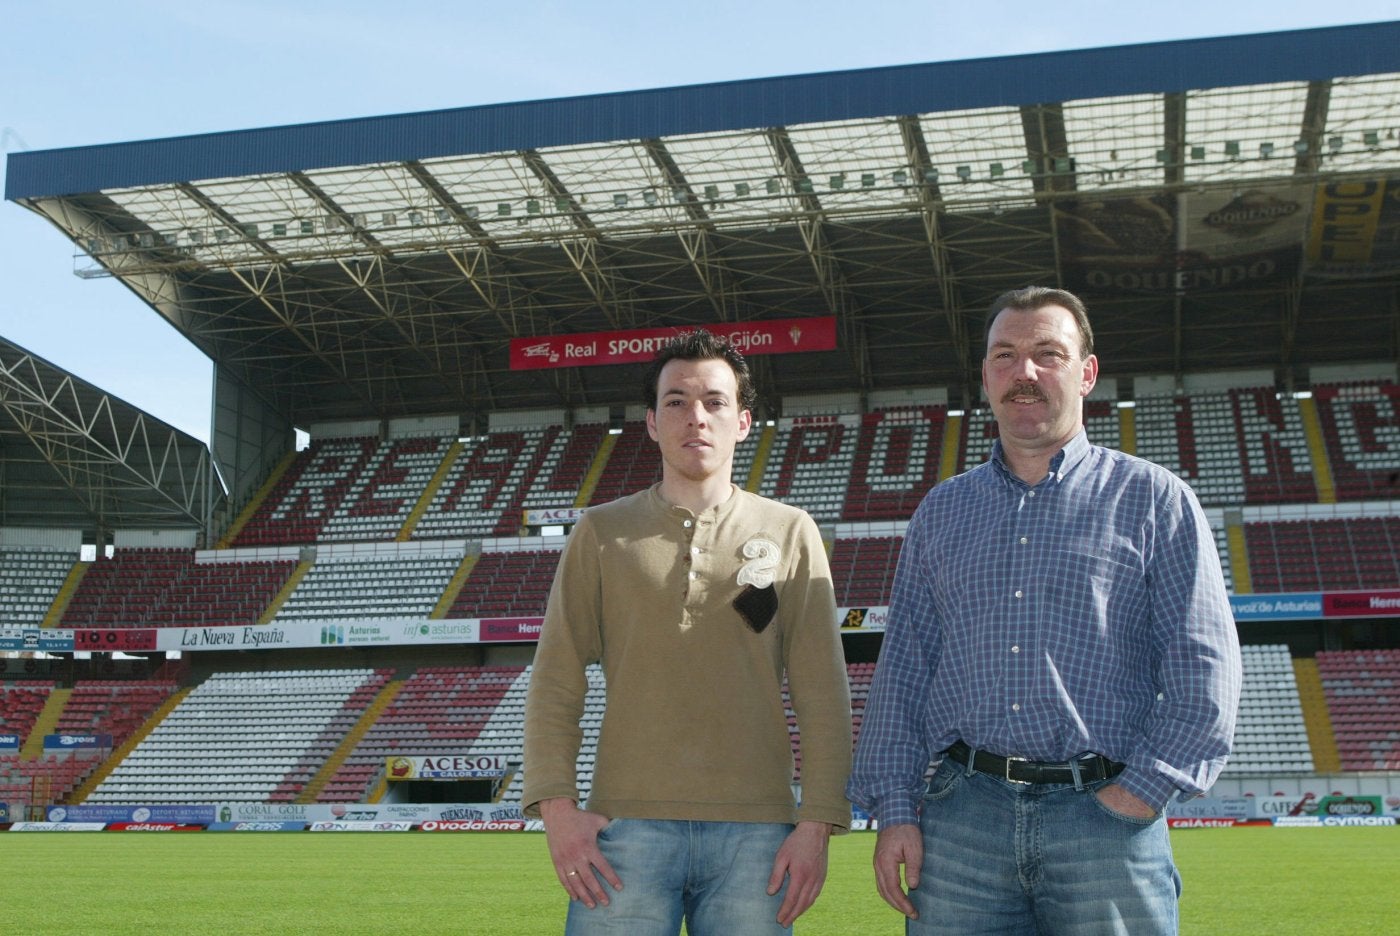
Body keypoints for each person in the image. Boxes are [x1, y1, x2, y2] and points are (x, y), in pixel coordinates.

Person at [846, 286, 1242, 934]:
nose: (1023, 372)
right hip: (961, 819)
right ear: (985, 376)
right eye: (1005, 356)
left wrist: (1140, 790)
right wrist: (895, 808)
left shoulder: (1154, 501)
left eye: (1047, 354)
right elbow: (904, 674)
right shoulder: (941, 513)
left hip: (1105, 822)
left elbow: (1206, 668)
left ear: (1086, 373)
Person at [523, 329, 853, 935]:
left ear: (744, 420)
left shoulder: (791, 531)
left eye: (714, 401)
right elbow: (555, 683)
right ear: (651, 422)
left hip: (758, 835)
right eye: (676, 401)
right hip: (623, 832)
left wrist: (817, 822)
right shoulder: (600, 533)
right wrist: (558, 811)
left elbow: (822, 693)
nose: (695, 417)